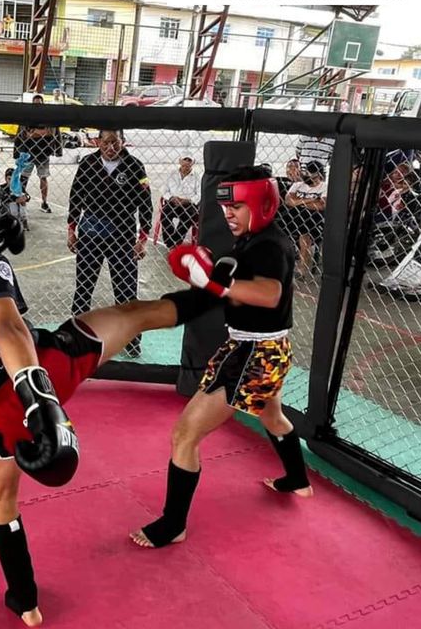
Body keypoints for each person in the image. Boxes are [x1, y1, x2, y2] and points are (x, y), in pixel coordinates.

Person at [0, 169, 183, 627]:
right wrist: (41, 401)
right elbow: (9, 328)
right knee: (133, 315)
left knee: (2, 499)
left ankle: (24, 599)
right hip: (42, 375)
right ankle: (216, 299)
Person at [130, 166, 312, 552]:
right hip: (266, 348)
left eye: (237, 207)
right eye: (226, 207)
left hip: (253, 354)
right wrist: (207, 279)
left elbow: (269, 294)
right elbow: (228, 289)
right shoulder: (253, 240)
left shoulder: (269, 246)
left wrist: (214, 282)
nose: (229, 214)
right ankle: (298, 479)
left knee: (185, 434)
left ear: (261, 204)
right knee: (272, 416)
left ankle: (173, 524)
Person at [67, 129, 154, 357]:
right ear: (98, 142)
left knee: (126, 290)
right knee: (83, 288)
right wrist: (71, 229)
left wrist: (143, 238)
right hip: (90, 234)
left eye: (115, 142)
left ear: (123, 142)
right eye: (106, 142)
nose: (110, 147)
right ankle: (77, 337)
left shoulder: (135, 166)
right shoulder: (87, 164)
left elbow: (146, 202)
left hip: (122, 236)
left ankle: (131, 340)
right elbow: (75, 196)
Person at [284, 161, 328, 278]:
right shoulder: (298, 184)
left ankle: (302, 270)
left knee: (305, 233)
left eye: (311, 174)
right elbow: (288, 201)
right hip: (294, 217)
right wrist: (312, 200)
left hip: (313, 218)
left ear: (319, 175)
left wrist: (298, 202)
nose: (307, 176)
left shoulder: (324, 187)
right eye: (306, 173)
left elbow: (321, 206)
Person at [15, 95, 59, 213]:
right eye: (35, 103)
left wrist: (35, 133)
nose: (37, 105)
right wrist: (41, 133)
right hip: (28, 152)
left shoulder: (47, 116)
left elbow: (50, 132)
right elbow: (26, 134)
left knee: (43, 177)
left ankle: (44, 202)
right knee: (24, 177)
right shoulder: (28, 116)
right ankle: (20, 201)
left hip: (43, 153)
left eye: (39, 103)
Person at [161, 155, 200, 248]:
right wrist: (171, 198)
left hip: (188, 203)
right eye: (184, 159)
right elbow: (164, 190)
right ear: (180, 161)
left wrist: (188, 200)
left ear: (193, 163)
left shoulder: (197, 176)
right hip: (173, 201)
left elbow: (199, 194)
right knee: (165, 214)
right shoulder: (172, 173)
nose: (186, 162)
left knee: (188, 216)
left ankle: (176, 241)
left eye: (189, 160)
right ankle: (170, 242)